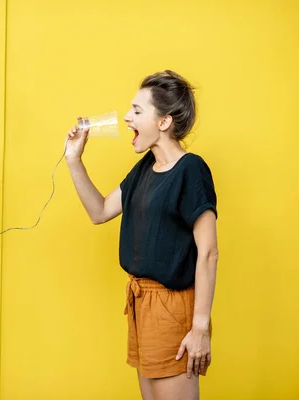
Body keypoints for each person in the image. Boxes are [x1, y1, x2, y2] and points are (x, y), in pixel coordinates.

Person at [66, 70, 218, 400]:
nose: (125, 117)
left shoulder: (191, 170)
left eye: (137, 110)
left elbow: (208, 253)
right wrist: (74, 159)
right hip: (141, 303)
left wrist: (200, 328)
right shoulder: (145, 168)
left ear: (163, 122)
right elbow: (100, 211)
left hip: (171, 307)